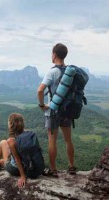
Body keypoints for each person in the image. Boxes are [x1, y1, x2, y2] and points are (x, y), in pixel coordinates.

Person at [37, 43, 76, 177]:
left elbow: (40, 90)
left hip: (53, 111)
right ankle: (71, 166)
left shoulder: (52, 71)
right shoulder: (70, 71)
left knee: (52, 140)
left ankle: (53, 169)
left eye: (51, 53)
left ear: (54, 54)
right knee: (68, 140)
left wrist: (42, 105)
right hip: (67, 110)